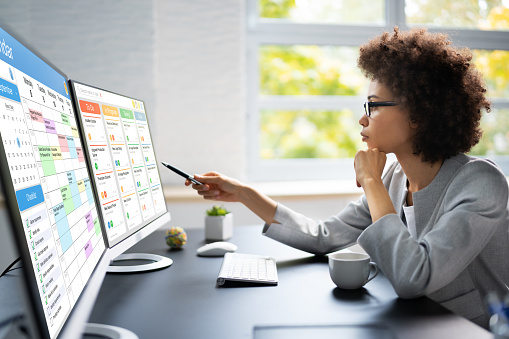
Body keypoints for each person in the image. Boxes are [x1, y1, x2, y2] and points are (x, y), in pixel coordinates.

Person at [186, 27, 509, 328]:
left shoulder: (480, 183)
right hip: (416, 325)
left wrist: (371, 182)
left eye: (374, 106)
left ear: (418, 116)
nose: (362, 118)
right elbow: (324, 236)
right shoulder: (397, 177)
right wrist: (243, 193)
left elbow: (415, 277)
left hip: (470, 330)